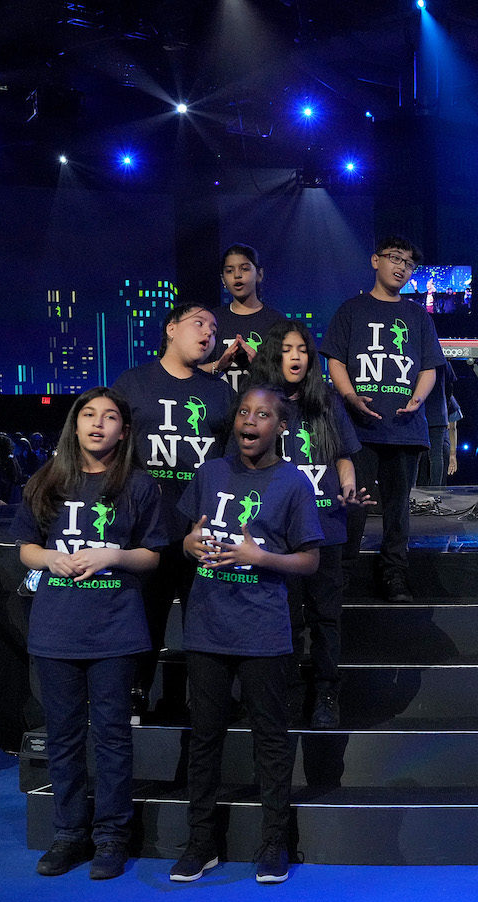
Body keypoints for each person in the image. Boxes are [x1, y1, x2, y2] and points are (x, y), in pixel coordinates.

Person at [170, 384, 324, 885]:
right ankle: (201, 842)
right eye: (243, 412)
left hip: (263, 631)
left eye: (262, 414)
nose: (249, 421)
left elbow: (310, 559)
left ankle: (275, 842)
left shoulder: (294, 483)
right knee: (204, 739)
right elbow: (190, 532)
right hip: (208, 628)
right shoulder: (211, 470)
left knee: (271, 741)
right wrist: (191, 543)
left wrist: (261, 558)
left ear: (281, 427)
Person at [11, 388, 165, 881]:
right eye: (89, 415)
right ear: (75, 425)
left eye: (110, 416)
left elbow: (153, 554)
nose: (98, 424)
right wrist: (51, 558)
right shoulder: (45, 481)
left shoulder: (138, 486)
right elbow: (26, 549)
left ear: (124, 429)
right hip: (57, 630)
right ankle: (69, 834)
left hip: (115, 630)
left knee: (114, 737)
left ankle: (112, 835)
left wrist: (112, 555)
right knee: (63, 737)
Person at [111, 301, 235, 721]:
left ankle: (208, 699)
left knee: (206, 620)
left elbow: (234, 461)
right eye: (199, 323)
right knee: (144, 615)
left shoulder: (219, 391)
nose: (208, 333)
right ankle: (135, 691)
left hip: (201, 527)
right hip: (146, 527)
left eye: (214, 329)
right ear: (170, 329)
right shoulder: (134, 382)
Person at [246, 321, 366, 728]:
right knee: (287, 618)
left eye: (302, 349)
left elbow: (344, 456)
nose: (296, 357)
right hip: (277, 532)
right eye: (287, 349)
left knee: (325, 616)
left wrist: (348, 485)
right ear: (272, 356)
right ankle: (290, 693)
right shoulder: (258, 405)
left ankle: (327, 693)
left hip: (325, 525)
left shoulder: (327, 402)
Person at [322, 236, 443, 603]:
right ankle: (341, 574)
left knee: (397, 508)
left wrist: (417, 400)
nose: (401, 267)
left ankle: (394, 574)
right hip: (358, 428)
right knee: (353, 504)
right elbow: (335, 360)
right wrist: (350, 397)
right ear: (376, 260)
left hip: (404, 428)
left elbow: (429, 367)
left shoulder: (417, 315)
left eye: (408, 263)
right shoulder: (352, 309)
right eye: (395, 258)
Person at [205, 244, 288, 392]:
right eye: (229, 271)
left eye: (245, 268)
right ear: (223, 280)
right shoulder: (212, 320)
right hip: (221, 410)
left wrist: (261, 367)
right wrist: (217, 366)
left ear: (259, 275)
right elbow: (190, 370)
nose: (237, 275)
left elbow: (290, 374)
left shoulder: (277, 322)